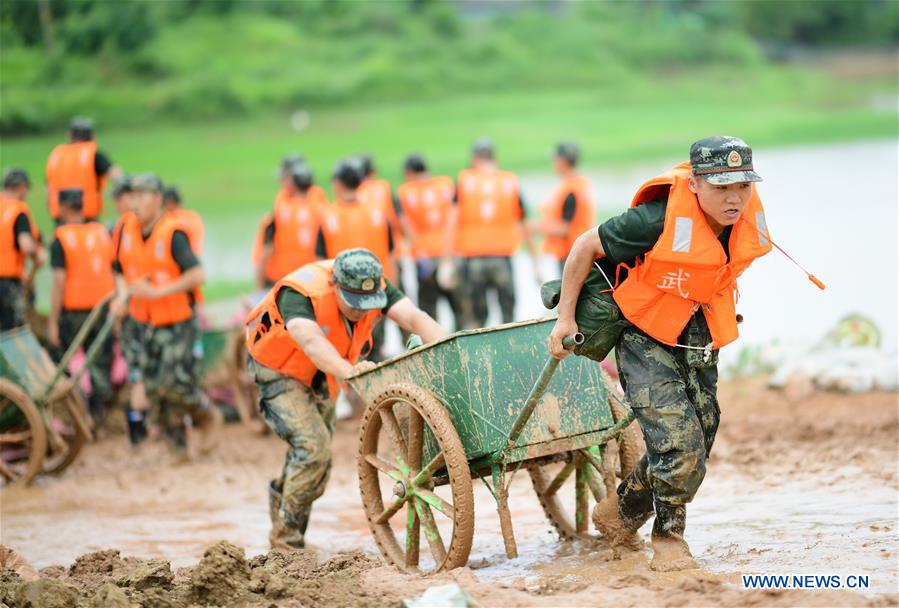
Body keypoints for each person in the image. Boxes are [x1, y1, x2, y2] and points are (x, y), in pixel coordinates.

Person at [549, 136, 772, 571]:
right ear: (695, 185)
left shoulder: (741, 219)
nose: (734, 198)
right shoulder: (653, 219)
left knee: (701, 437)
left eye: (742, 186)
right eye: (722, 187)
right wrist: (565, 319)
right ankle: (668, 539)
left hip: (698, 331)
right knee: (679, 443)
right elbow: (583, 247)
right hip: (643, 332)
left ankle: (622, 512)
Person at [244, 248, 446, 549]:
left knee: (317, 461)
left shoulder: (375, 281)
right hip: (278, 370)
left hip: (322, 372)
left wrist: (448, 349)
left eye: (369, 304)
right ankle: (286, 541)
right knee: (313, 450)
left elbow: (416, 318)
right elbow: (311, 341)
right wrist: (351, 372)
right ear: (335, 286)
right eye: (354, 304)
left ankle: (283, 518)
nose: (361, 311)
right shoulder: (298, 294)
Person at [111, 173, 219, 455]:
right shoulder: (126, 230)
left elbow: (197, 274)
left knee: (175, 384)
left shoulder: (173, 233)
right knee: (152, 386)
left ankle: (206, 414)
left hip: (178, 320)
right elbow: (120, 270)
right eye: (132, 196)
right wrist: (122, 295)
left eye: (142, 195)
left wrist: (160, 292)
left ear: (157, 199)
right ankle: (178, 448)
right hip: (144, 320)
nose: (135, 202)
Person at [317, 160, 398, 360]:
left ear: (337, 184)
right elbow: (391, 254)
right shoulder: (378, 212)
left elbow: (320, 262)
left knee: (343, 357)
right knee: (375, 352)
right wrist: (392, 292)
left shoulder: (328, 215)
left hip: (343, 298)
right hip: (377, 294)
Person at [47, 189, 116, 423]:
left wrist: (53, 321)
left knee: (59, 358)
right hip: (103, 308)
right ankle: (99, 416)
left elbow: (58, 280)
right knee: (101, 362)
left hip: (74, 312)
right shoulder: (101, 232)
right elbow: (114, 269)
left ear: (64, 207)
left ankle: (75, 409)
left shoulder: (61, 238)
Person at [452, 137, 536, 328]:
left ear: (474, 158)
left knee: (477, 320)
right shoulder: (509, 180)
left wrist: (447, 259)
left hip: (474, 259)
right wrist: (535, 261)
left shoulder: (465, 180)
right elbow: (523, 222)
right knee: (508, 316)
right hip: (502, 257)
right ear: (494, 157)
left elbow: (452, 220)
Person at [396, 153, 459, 328]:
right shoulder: (445, 184)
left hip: (424, 257)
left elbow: (404, 225)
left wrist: (418, 251)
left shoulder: (406, 192)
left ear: (409, 172)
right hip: (448, 253)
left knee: (429, 312)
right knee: (459, 307)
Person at [532, 142, 596, 275]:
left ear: (562, 161)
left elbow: (565, 228)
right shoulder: (580, 184)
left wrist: (534, 228)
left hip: (571, 255)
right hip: (579, 253)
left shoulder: (571, 191)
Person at [256, 163, 322, 289]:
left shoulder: (283, 209)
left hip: (284, 277)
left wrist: (259, 278)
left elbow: (268, 248)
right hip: (312, 277)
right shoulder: (322, 207)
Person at [46, 116, 121, 222]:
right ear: (93, 135)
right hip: (86, 218)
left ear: (70, 135)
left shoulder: (56, 155)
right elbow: (117, 177)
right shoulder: (93, 153)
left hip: (61, 217)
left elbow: (48, 190)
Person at [0, 167, 43, 330]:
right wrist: (37, 255)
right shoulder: (18, 210)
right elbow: (25, 244)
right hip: (8, 282)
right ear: (22, 187)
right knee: (13, 331)